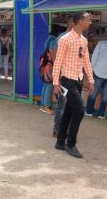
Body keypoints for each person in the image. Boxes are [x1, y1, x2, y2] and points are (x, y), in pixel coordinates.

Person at [52, 12, 94, 159]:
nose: (90, 22)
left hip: (78, 80)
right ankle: (71, 143)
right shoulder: (65, 39)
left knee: (70, 111)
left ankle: (60, 141)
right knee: (79, 110)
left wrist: (91, 79)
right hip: (66, 81)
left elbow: (86, 61)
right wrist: (56, 82)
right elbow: (57, 62)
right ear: (80, 21)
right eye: (88, 19)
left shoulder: (83, 40)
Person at [51, 15, 75, 137]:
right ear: (71, 24)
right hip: (63, 77)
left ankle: (63, 129)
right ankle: (57, 129)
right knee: (62, 103)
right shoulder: (62, 38)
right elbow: (55, 56)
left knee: (70, 104)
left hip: (73, 78)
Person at [39, 24, 60, 115]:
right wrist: (57, 66)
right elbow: (53, 54)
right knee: (50, 85)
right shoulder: (54, 41)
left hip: (44, 66)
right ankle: (47, 106)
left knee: (45, 85)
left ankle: (43, 105)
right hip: (50, 66)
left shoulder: (48, 39)